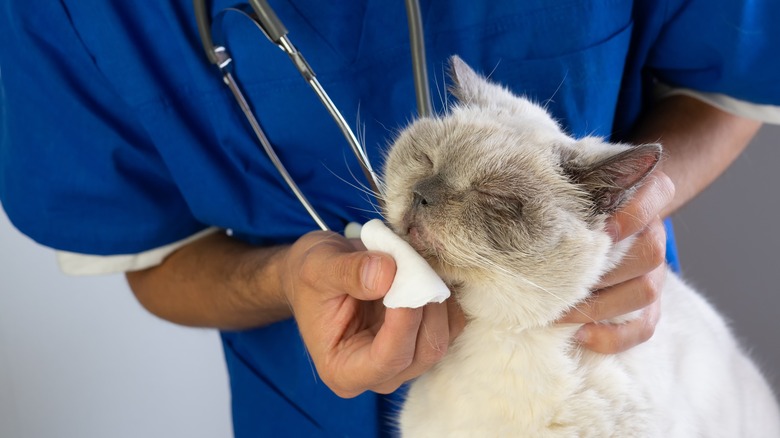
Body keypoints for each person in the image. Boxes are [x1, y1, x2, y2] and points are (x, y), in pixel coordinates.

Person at [1, 1, 778, 436]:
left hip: (609, 341)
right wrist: (283, 275)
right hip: (301, 404)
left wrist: (625, 212)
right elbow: (144, 250)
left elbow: (729, 77)